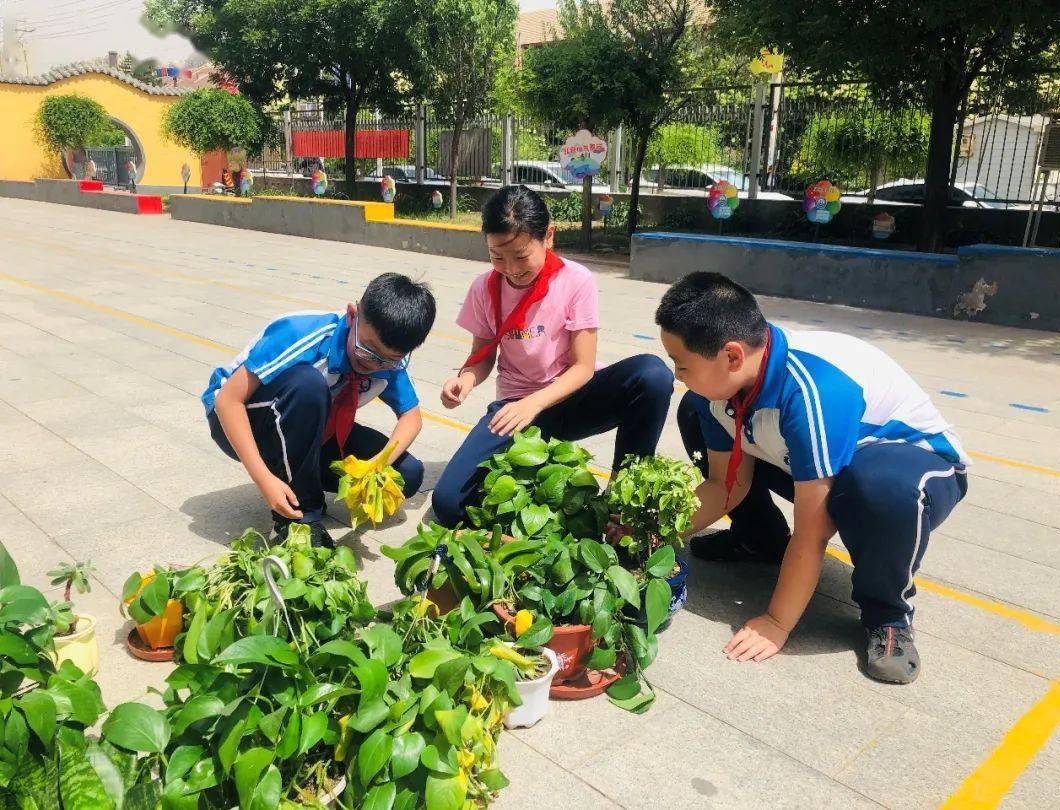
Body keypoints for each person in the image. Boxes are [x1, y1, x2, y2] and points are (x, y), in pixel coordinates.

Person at [656, 272, 968, 684]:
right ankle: (760, 540)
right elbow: (724, 485)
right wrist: (655, 533)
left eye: (682, 365)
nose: (677, 375)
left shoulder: (811, 390)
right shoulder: (724, 387)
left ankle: (888, 614)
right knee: (694, 411)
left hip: (908, 464)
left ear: (732, 356)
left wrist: (776, 621)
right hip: (819, 457)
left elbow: (812, 531)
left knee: (879, 489)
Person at [432, 185, 674, 525]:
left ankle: (622, 498)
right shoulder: (484, 288)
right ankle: (529, 480)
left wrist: (535, 402)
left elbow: (584, 368)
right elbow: (482, 356)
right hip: (515, 409)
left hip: (572, 398)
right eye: (497, 257)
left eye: (521, 256)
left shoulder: (576, 281)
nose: (511, 269)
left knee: (652, 375)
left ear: (548, 236)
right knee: (447, 505)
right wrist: (464, 380)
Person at [202, 273, 437, 547]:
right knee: (309, 385)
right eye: (368, 350)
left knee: (406, 475)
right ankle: (302, 517)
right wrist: (265, 481)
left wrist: (376, 466)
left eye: (389, 359)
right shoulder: (302, 333)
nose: (373, 364)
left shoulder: (389, 362)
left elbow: (412, 417)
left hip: (314, 425)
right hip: (242, 419)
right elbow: (228, 402)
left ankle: (302, 479)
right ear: (352, 315)